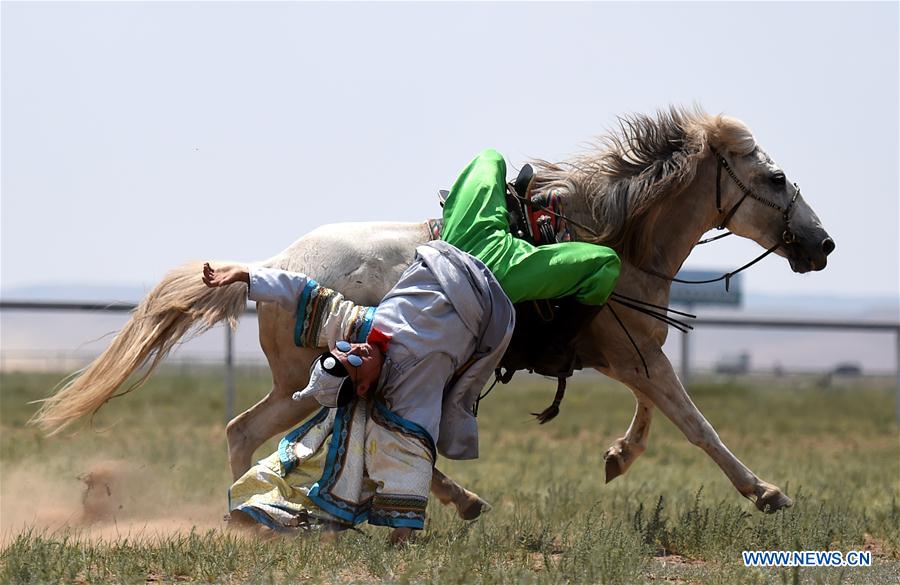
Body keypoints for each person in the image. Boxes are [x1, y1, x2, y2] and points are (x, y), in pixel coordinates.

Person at [202, 149, 620, 542]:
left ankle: (524, 214)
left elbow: (302, 289)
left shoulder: (354, 325)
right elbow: (412, 459)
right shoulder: (410, 390)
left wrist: (245, 276)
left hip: (457, 242)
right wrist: (402, 532)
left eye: (341, 352)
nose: (352, 351)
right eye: (351, 364)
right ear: (363, 388)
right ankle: (557, 343)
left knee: (489, 158)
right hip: (495, 275)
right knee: (606, 264)